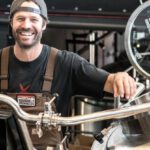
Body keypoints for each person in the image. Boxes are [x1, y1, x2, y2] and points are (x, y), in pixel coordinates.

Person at [0, 0, 136, 149]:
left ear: (44, 24)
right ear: (12, 22)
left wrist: (119, 77)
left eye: (33, 19)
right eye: (20, 18)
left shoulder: (66, 63)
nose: (26, 25)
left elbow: (110, 82)